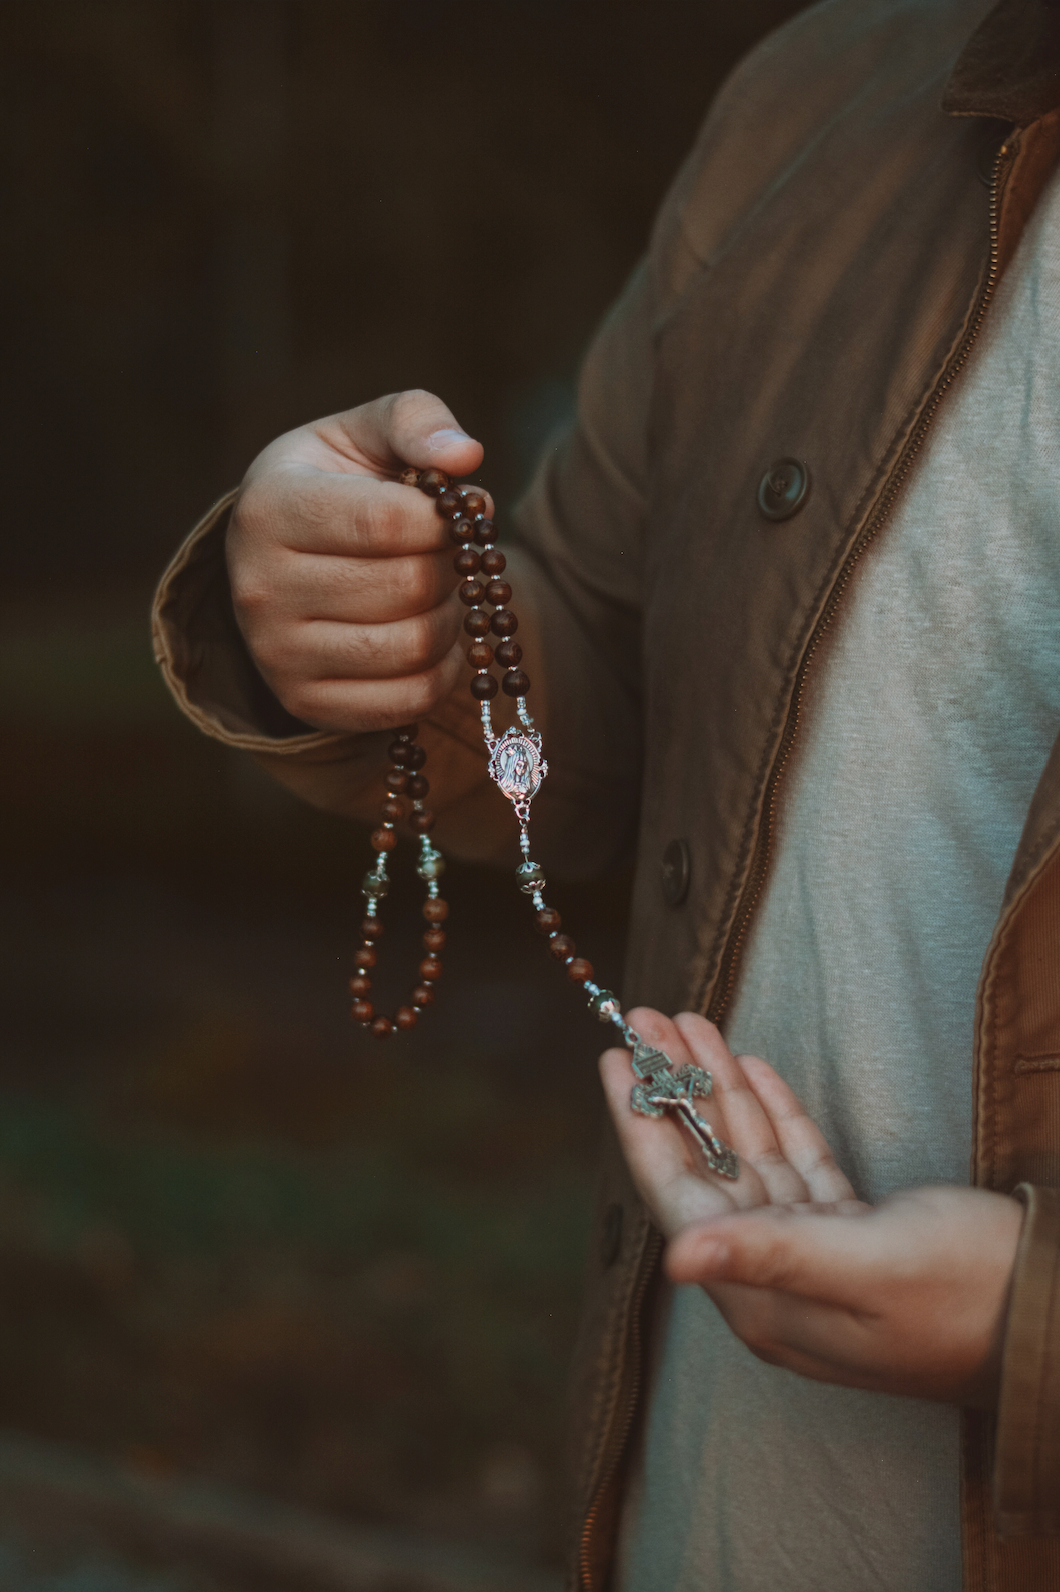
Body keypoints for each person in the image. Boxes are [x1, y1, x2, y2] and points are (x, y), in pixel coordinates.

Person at [152, 0, 1060, 1585]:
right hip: (704, 1509)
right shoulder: (826, 98)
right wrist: (372, 619)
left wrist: (1035, 1333)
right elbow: (604, 677)